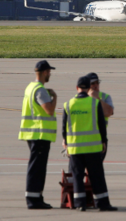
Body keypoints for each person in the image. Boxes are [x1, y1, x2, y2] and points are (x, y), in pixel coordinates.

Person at [63, 75, 117, 211]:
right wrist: (103, 140)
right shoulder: (95, 103)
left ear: (77, 88)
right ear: (88, 88)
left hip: (75, 148)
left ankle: (80, 204)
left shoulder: (68, 104)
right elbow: (101, 124)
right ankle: (102, 203)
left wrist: (65, 142)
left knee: (77, 176)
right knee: (97, 176)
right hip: (93, 147)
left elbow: (64, 126)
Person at [19, 60, 57, 209]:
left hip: (32, 133)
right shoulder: (40, 90)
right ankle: (33, 199)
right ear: (45, 72)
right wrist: (54, 97)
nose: (50, 74)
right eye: (49, 72)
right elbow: (49, 110)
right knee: (37, 168)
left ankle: (36, 196)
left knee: (37, 167)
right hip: (39, 134)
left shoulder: (30, 87)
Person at [84, 72, 114, 162]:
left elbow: (109, 112)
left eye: (97, 83)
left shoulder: (105, 97)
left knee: (96, 169)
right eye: (93, 83)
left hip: (99, 138)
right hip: (83, 138)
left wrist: (97, 99)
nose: (96, 85)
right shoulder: (82, 98)